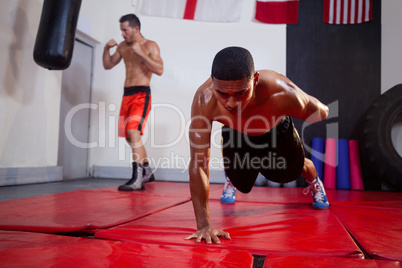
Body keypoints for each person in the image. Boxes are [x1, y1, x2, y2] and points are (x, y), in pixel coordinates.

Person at [186, 46, 329, 245]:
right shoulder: (205, 99)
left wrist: (309, 108)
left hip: (275, 133)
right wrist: (203, 225)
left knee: (286, 174)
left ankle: (314, 182)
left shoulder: (281, 92)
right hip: (236, 134)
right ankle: (232, 178)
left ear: (255, 80)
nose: (231, 103)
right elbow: (199, 162)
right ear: (213, 81)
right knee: (241, 183)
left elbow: (322, 111)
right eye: (223, 93)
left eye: (240, 93)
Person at [103, 14, 163, 191]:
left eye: (125, 30)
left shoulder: (149, 45)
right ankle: (147, 172)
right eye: (121, 30)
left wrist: (140, 53)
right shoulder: (122, 46)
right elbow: (108, 65)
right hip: (126, 95)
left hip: (141, 94)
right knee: (130, 137)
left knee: (133, 131)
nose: (122, 34)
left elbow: (159, 69)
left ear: (136, 29)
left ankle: (137, 179)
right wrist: (106, 48)